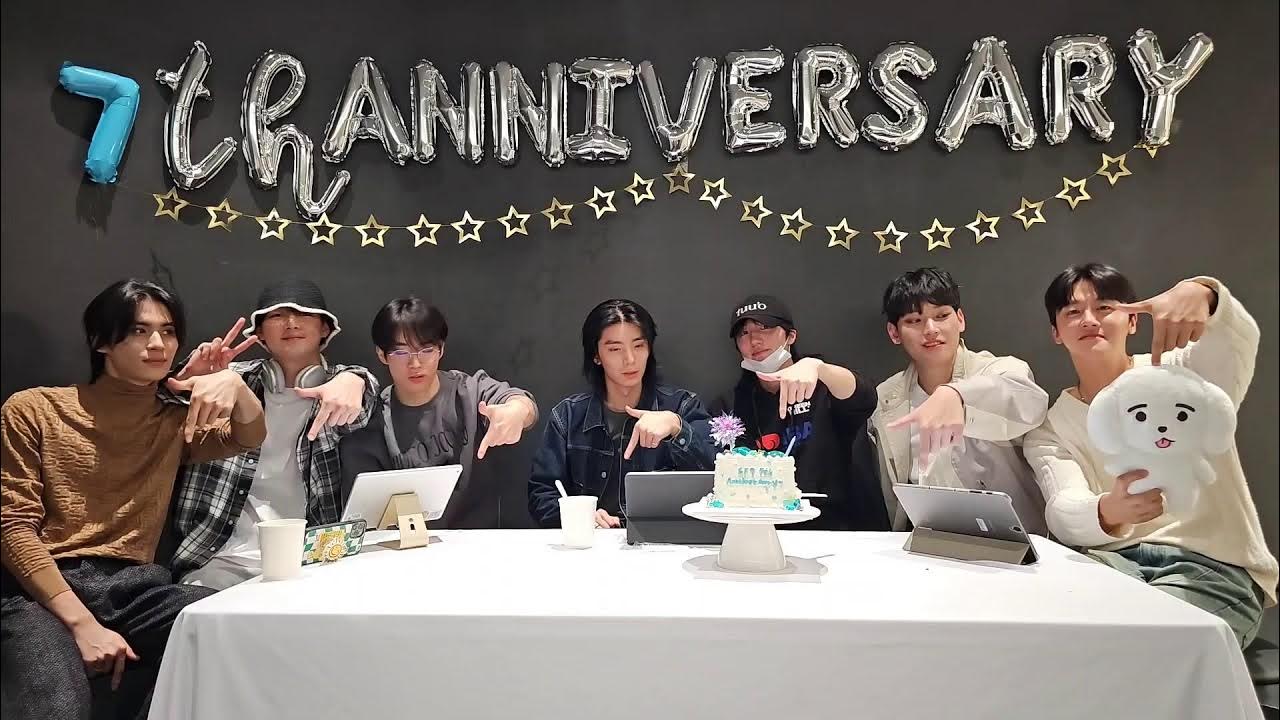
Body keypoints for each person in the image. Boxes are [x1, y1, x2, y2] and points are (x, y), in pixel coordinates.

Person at [1, 279, 266, 720]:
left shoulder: (172, 421)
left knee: (235, 627)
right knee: (58, 708)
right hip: (41, 591)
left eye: (168, 331)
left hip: (135, 589)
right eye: (139, 331)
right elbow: (12, 527)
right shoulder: (34, 409)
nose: (158, 344)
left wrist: (234, 386)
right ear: (101, 341)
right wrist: (83, 625)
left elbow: (248, 435)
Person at [1025, 263, 1277, 647]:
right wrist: (1108, 510)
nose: (1089, 320)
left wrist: (1206, 294)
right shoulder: (1052, 427)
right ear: (1056, 332)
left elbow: (1235, 343)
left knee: (1152, 643)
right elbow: (1062, 506)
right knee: (1053, 634)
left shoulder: (1182, 374)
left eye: (1105, 307)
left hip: (1209, 564)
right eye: (1073, 312)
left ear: (1132, 321)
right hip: (1109, 563)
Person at [172, 279, 379, 590]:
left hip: (311, 559)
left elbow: (363, 404)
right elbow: (158, 413)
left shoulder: (340, 388)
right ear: (258, 333)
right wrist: (186, 379)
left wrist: (358, 378)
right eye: (277, 315)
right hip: (219, 557)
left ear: (325, 328)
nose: (291, 323)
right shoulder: (230, 381)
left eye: (304, 314)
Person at [871, 268, 1048, 534]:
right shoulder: (886, 396)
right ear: (894, 333)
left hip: (1010, 540)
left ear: (961, 319)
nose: (931, 330)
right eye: (914, 320)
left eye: (942, 316)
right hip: (925, 538)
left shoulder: (999, 370)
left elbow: (1029, 403)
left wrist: (956, 396)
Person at [339, 297, 538, 527]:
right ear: (382, 355)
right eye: (401, 353)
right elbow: (364, 514)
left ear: (441, 350)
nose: (415, 364)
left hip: (478, 539)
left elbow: (521, 403)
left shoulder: (468, 391)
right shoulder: (373, 423)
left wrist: (516, 412)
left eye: (426, 350)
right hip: (403, 543)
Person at [529, 299, 714, 529]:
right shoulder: (568, 416)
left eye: (638, 346)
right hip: (592, 543)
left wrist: (677, 427)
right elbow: (541, 495)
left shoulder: (683, 407)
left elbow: (720, 480)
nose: (630, 359)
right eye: (615, 349)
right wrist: (580, 516)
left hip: (663, 543)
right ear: (596, 355)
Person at [713, 295, 886, 530]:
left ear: (790, 336)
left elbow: (865, 399)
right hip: (760, 529)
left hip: (832, 528)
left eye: (764, 327)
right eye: (743, 333)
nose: (754, 340)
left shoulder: (825, 385)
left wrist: (818, 368)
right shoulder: (732, 403)